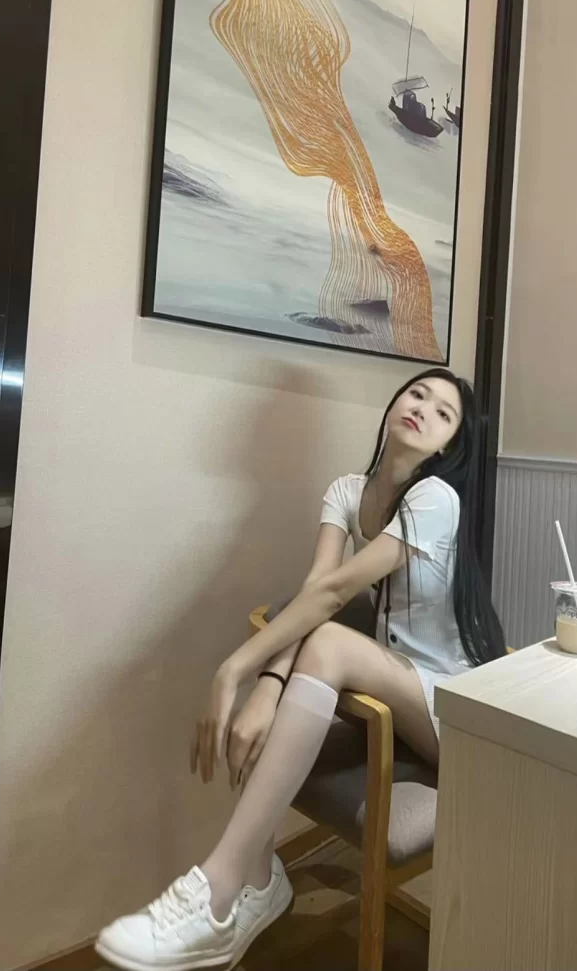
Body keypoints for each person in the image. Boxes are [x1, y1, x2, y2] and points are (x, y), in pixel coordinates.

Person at [96, 368, 506, 971]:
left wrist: (233, 671)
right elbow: (318, 590)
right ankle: (257, 881)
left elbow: (335, 594)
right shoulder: (347, 491)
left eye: (443, 413)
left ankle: (217, 890)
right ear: (396, 401)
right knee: (304, 668)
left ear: (448, 446)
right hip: (401, 689)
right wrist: (267, 686)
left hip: (456, 709)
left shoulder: (436, 498)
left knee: (331, 645)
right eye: (417, 394)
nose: (423, 409)